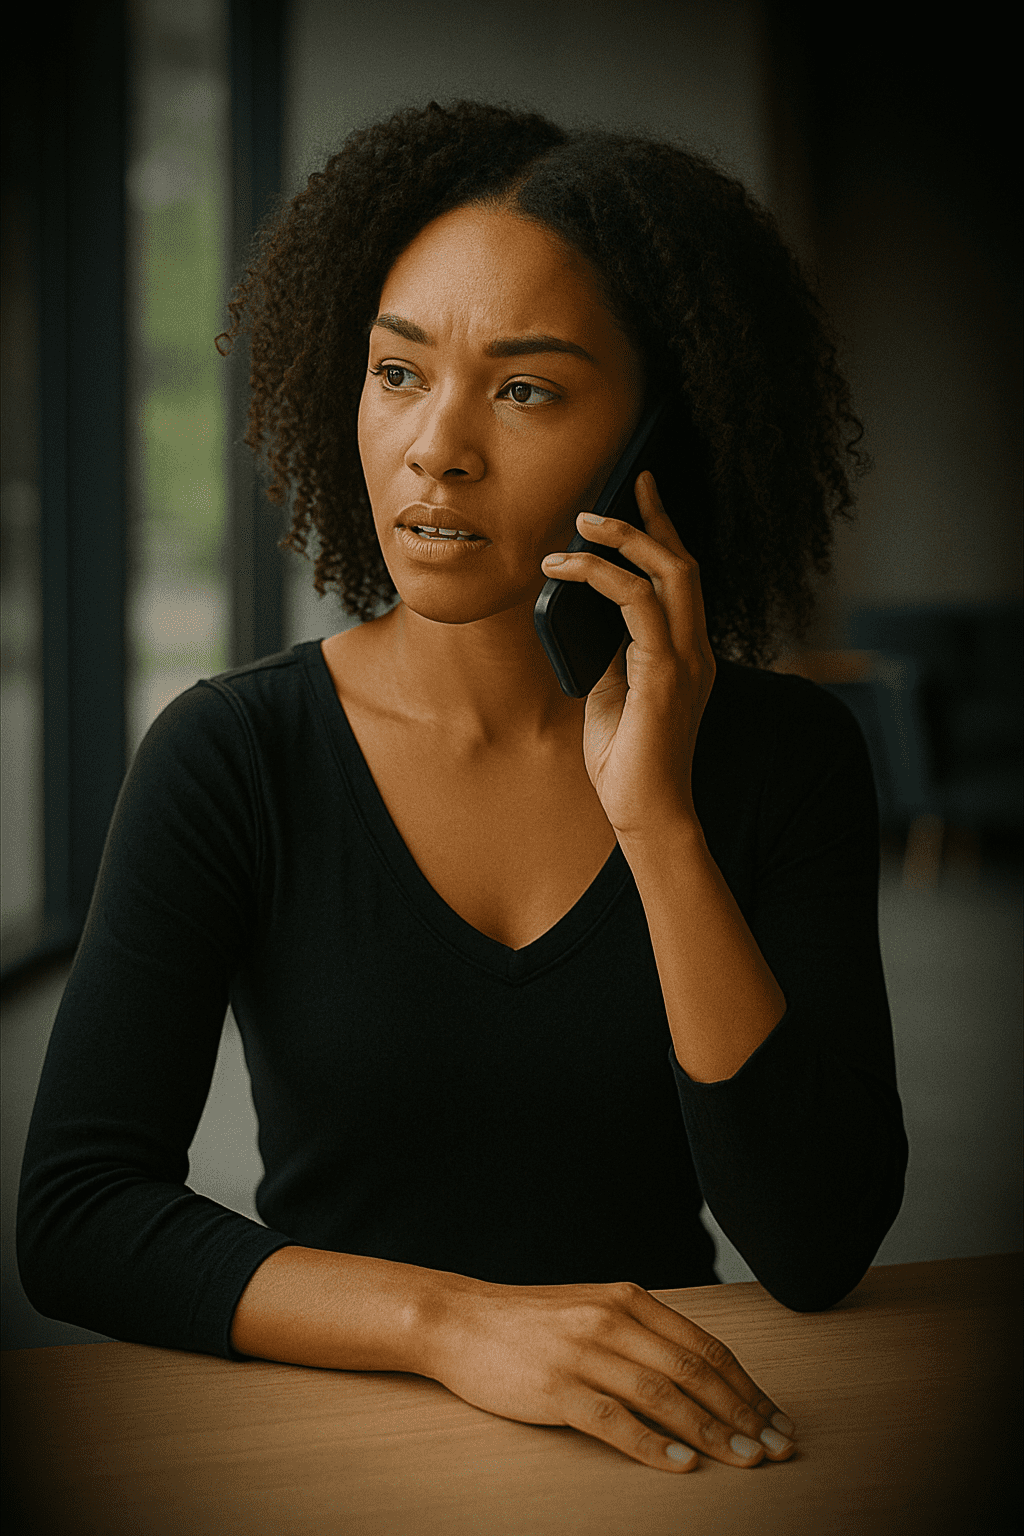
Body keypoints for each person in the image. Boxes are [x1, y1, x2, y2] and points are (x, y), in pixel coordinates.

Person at [17, 99, 907, 1475]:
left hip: (658, 1449)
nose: (439, 446)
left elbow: (817, 1244)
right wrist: (455, 1326)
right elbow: (75, 1214)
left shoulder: (782, 760)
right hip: (335, 1442)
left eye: (528, 387)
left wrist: (658, 822)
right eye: (398, 371)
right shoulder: (231, 755)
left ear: (660, 436)